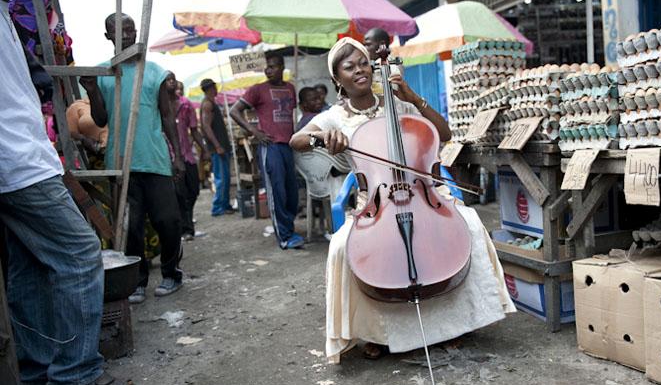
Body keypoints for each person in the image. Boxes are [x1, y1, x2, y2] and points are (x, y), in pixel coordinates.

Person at [290, 38, 515, 362]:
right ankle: (374, 332)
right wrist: (321, 137)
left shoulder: (398, 104)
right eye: (349, 67)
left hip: (420, 190)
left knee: (470, 224)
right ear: (337, 79)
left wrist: (412, 98)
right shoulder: (334, 116)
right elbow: (295, 140)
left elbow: (444, 133)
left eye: (364, 63)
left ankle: (460, 320)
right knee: (341, 247)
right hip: (376, 201)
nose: (360, 70)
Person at [0, 0, 134, 385]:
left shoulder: (6, 16)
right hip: (17, 164)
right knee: (80, 253)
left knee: (29, 266)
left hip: (23, 159)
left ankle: (36, 366)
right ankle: (76, 369)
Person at [81, 12, 185, 304]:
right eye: (121, 31)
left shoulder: (154, 71)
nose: (128, 36)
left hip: (154, 157)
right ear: (108, 37)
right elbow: (100, 119)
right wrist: (91, 89)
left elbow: (167, 116)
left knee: (168, 220)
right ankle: (137, 281)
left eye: (131, 30)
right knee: (131, 226)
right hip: (121, 161)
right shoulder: (103, 72)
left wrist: (176, 155)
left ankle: (171, 273)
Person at [230, 54, 303, 249]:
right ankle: (285, 236)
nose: (268, 70)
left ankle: (288, 227)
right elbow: (234, 111)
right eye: (266, 67)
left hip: (288, 145)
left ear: (282, 67)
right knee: (276, 190)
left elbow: (290, 115)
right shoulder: (257, 90)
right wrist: (254, 131)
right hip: (270, 146)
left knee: (291, 191)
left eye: (273, 66)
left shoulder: (290, 88)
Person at [172, 79, 206, 240]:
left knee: (193, 190)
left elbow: (194, 130)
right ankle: (186, 229)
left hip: (187, 155)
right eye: (175, 87)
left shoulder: (187, 106)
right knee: (179, 194)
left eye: (180, 88)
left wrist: (205, 149)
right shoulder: (161, 107)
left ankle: (187, 222)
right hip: (170, 157)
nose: (178, 91)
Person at [199, 78, 234, 217]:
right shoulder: (207, 104)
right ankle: (218, 207)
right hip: (218, 148)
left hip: (221, 146)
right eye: (214, 87)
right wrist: (217, 146)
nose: (216, 89)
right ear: (210, 88)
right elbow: (206, 127)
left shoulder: (211, 103)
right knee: (222, 178)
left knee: (225, 178)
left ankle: (224, 205)